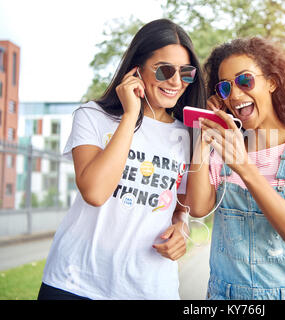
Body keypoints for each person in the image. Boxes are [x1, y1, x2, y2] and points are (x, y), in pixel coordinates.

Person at [38, 19, 206, 300]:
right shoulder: (93, 116)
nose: (176, 82)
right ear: (136, 70)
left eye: (185, 72)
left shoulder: (188, 134)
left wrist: (182, 227)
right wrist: (131, 116)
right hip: (74, 282)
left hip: (149, 288)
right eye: (165, 70)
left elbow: (180, 206)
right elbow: (95, 192)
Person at [185, 37, 285, 300]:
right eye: (225, 88)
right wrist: (203, 136)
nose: (236, 95)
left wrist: (244, 166)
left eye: (245, 81)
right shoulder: (224, 147)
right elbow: (198, 208)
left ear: (272, 82)